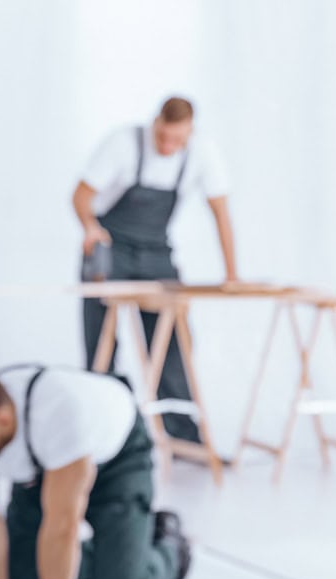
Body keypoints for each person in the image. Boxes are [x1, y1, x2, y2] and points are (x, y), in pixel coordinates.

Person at [0, 365, 191, 579]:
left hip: (118, 461)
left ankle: (169, 546)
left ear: (2, 420)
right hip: (42, 470)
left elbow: (62, 528)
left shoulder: (59, 415)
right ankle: (115, 551)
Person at [73, 96, 237, 445]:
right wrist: (89, 226)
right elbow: (81, 195)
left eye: (177, 141)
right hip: (110, 246)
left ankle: (185, 438)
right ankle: (102, 438)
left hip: (156, 253)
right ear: (155, 123)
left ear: (190, 133)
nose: (167, 146)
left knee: (174, 341)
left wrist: (231, 274)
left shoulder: (202, 154)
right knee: (100, 344)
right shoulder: (123, 143)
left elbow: (221, 213)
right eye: (163, 137)